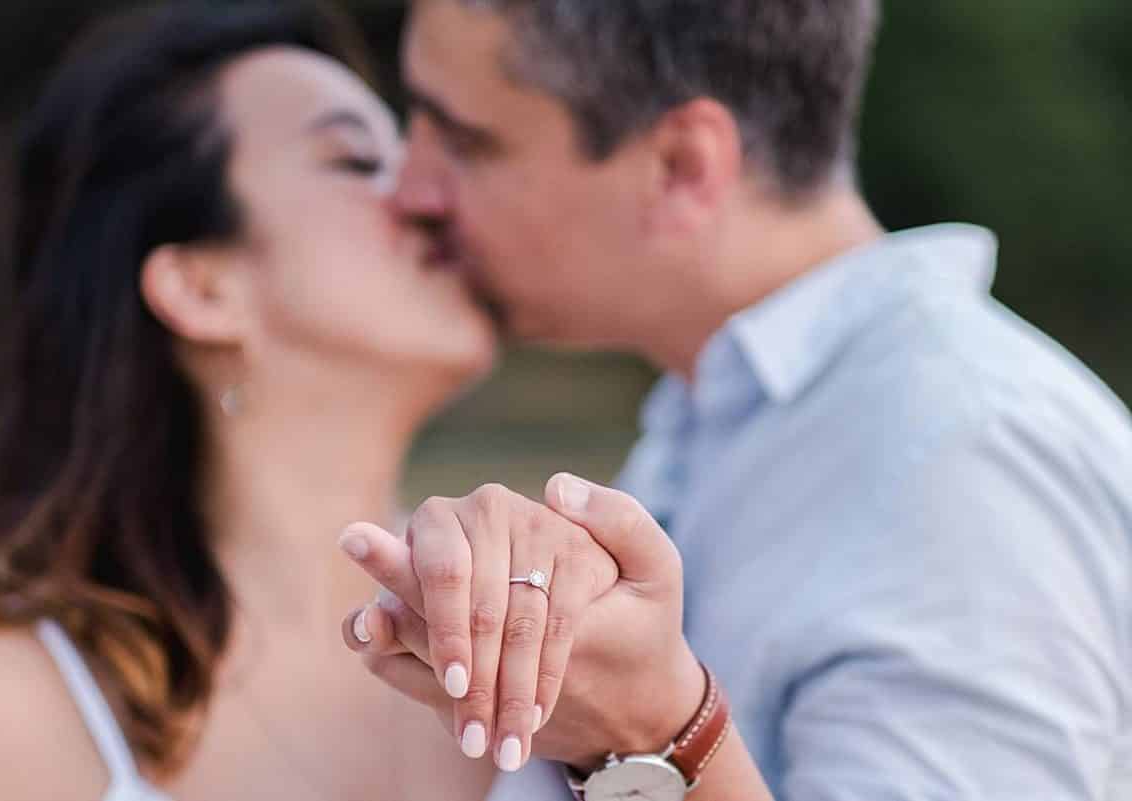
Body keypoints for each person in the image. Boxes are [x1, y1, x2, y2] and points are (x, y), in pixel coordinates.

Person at [339, 1, 1132, 800]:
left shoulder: (966, 460)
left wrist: (647, 741)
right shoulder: (719, 423)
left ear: (682, 165)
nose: (412, 190)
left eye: (467, 141)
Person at [0, 4, 605, 799]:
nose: (431, 195)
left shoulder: (549, 613)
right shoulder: (2, 705)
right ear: (202, 287)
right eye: (359, 160)